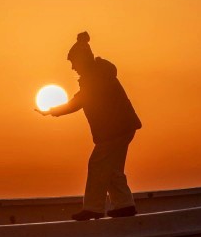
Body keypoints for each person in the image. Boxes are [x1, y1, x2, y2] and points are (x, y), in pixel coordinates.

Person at [41, 31, 142, 221]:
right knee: (111, 169)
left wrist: (54, 110)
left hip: (114, 130)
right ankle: (125, 205)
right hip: (122, 128)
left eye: (73, 62)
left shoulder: (96, 77)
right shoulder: (98, 74)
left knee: (97, 165)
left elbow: (80, 100)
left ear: (81, 60)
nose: (72, 68)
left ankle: (94, 208)